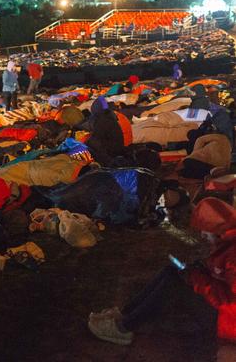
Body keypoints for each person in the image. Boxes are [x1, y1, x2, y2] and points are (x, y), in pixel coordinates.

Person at [87, 197, 236, 346]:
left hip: (228, 320)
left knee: (174, 284)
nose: (202, 235)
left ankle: (123, 328)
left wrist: (195, 279)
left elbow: (230, 299)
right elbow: (222, 276)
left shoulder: (233, 256)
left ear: (217, 228)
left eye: (205, 230)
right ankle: (125, 315)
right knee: (171, 271)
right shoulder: (227, 243)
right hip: (224, 308)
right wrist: (200, 270)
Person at [85, 96, 127, 166]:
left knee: (90, 143)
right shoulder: (110, 116)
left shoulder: (102, 121)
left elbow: (97, 138)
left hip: (113, 151)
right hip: (119, 147)